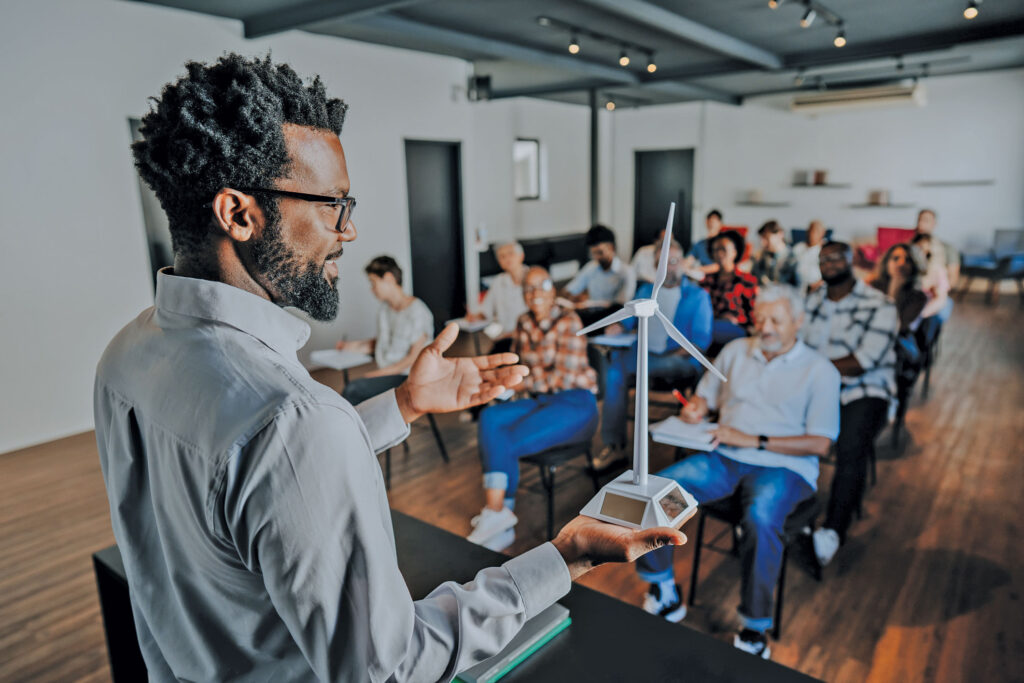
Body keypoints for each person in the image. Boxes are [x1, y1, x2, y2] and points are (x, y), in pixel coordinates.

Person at [96, 53, 685, 682]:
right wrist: (565, 558)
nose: (348, 232)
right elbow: (390, 666)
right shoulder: (291, 419)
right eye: (332, 206)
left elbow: (251, 483)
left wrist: (403, 404)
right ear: (239, 214)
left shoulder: (124, 357)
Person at [637, 286, 840, 660]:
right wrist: (695, 407)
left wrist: (755, 440)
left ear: (798, 321)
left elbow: (819, 444)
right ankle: (663, 587)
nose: (765, 327)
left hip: (785, 468)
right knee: (655, 493)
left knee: (761, 518)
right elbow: (705, 397)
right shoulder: (733, 352)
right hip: (724, 456)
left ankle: (754, 624)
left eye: (776, 320)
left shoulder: (820, 370)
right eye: (759, 318)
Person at [468, 267, 600, 551]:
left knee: (508, 439)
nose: (535, 293)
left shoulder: (569, 320)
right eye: (528, 288)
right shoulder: (523, 321)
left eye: (542, 285)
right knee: (490, 416)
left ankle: (497, 514)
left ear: (553, 289)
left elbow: (562, 377)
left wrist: (518, 384)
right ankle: (500, 519)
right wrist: (503, 381)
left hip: (575, 402)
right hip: (539, 398)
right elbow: (520, 368)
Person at [802, 242, 899, 568]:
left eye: (835, 257)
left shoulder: (879, 304)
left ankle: (833, 530)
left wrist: (808, 372)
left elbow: (862, 362)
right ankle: (787, 511)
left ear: (851, 260)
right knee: (773, 425)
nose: (828, 263)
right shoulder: (812, 300)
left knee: (851, 445)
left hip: (863, 389)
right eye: (822, 259)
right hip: (813, 388)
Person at [596, 242, 713, 468]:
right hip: (644, 356)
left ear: (683, 264)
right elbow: (629, 320)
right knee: (614, 371)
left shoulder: (697, 296)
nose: (668, 268)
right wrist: (618, 326)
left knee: (623, 366)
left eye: (673, 262)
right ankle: (614, 446)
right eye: (661, 263)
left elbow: (700, 342)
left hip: (680, 360)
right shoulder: (644, 292)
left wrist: (674, 353)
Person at [336, 256, 434, 405]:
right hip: (388, 374)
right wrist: (351, 347)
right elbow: (381, 343)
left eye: (373, 283)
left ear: (389, 278)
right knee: (355, 390)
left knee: (353, 390)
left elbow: (414, 358)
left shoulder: (418, 312)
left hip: (408, 376)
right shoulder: (385, 310)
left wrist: (377, 375)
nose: (372, 289)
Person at [466, 241, 528, 351]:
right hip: (505, 337)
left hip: (527, 336)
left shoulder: (533, 277)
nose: (507, 259)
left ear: (521, 256)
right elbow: (486, 309)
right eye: (502, 256)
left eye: (510, 254)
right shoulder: (498, 282)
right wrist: (475, 316)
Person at [701, 230, 758, 347]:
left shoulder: (746, 280)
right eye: (715, 250)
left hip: (736, 331)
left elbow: (753, 314)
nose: (719, 253)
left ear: (734, 252)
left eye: (723, 249)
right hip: (708, 325)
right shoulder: (706, 280)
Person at [565, 224, 636, 309]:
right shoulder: (591, 267)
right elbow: (570, 289)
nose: (596, 257)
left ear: (611, 248)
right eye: (593, 253)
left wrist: (588, 303)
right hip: (591, 314)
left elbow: (621, 304)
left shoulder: (627, 272)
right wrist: (568, 299)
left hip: (614, 317)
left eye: (599, 253)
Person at [868, 243, 928, 333]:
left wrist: (894, 289)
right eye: (896, 258)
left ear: (914, 266)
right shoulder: (873, 286)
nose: (901, 263)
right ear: (887, 262)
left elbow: (898, 327)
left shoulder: (919, 297)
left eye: (907, 260)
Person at [914, 209, 957, 322]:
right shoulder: (908, 246)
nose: (920, 224)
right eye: (919, 220)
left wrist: (934, 284)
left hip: (935, 290)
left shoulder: (947, 248)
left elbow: (953, 280)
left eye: (926, 220)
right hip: (912, 289)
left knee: (942, 308)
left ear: (934, 224)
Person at [751, 220, 799, 287]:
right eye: (761, 239)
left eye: (766, 238)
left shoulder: (792, 259)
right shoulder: (763, 256)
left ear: (780, 234)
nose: (762, 243)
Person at [793, 219, 827, 291]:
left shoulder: (827, 250)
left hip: (818, 288)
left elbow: (831, 274)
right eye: (810, 230)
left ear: (823, 233)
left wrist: (813, 287)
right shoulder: (798, 248)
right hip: (797, 288)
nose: (812, 234)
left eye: (816, 231)